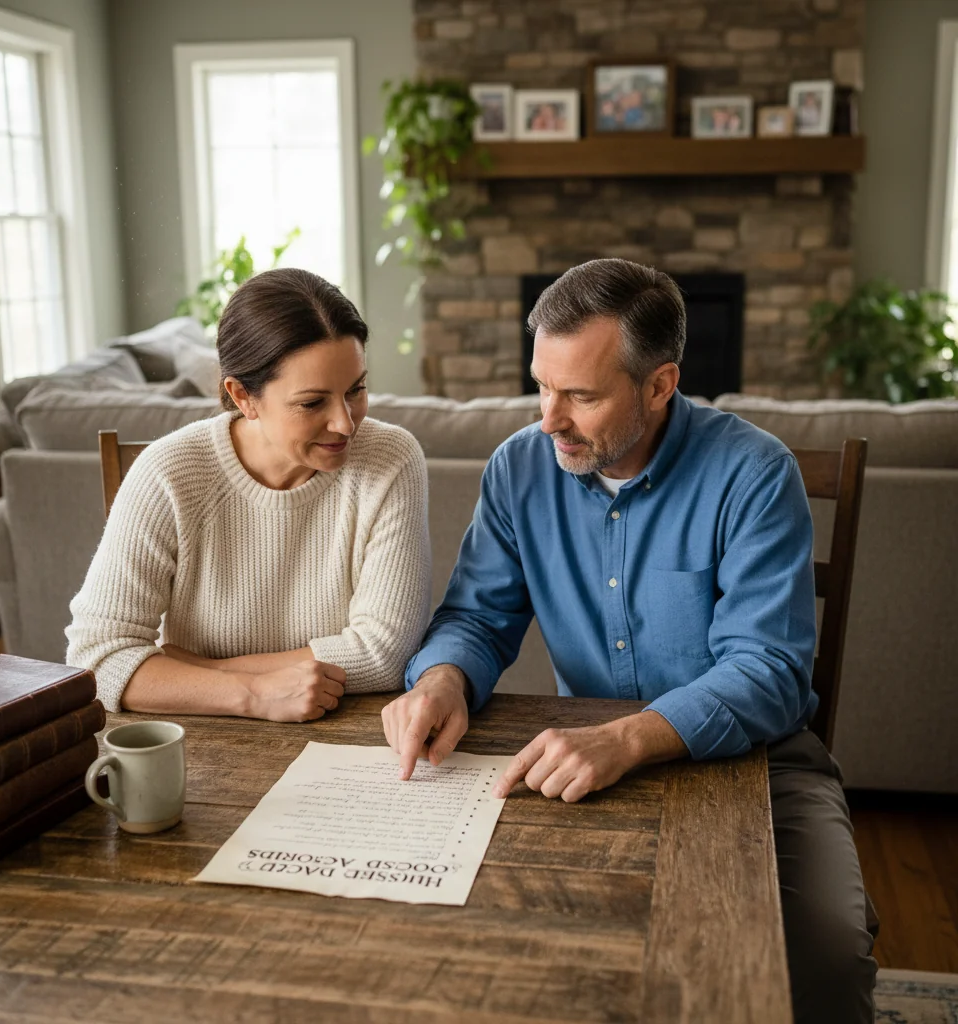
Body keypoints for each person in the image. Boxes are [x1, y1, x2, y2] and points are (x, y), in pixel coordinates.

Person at [381, 258, 877, 1024]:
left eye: (580, 395)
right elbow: (476, 618)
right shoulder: (519, 469)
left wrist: (632, 736)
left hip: (760, 767)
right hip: (589, 765)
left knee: (826, 961)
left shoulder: (754, 475)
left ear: (659, 384)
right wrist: (442, 677)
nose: (549, 418)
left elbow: (771, 671)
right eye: (542, 385)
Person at [67, 267, 431, 721]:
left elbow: (385, 655)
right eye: (313, 403)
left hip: (347, 738)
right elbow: (96, 659)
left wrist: (202, 670)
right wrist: (251, 693)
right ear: (242, 396)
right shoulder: (168, 474)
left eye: (356, 389)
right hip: (203, 743)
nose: (345, 423)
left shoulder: (390, 459)